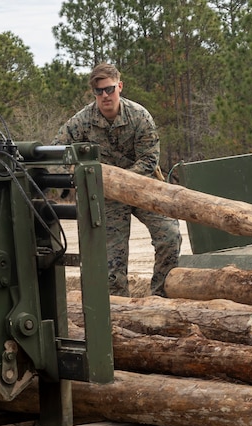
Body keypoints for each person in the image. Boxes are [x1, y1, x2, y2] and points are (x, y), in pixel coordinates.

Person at [53, 63, 182, 297]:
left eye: (109, 89)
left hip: (143, 186)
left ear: (119, 86)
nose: (105, 96)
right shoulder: (82, 121)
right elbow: (57, 151)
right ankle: (119, 309)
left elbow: (149, 159)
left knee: (170, 235)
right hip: (107, 194)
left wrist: (123, 181)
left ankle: (160, 297)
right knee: (112, 260)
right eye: (99, 91)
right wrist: (77, 174)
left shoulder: (139, 116)